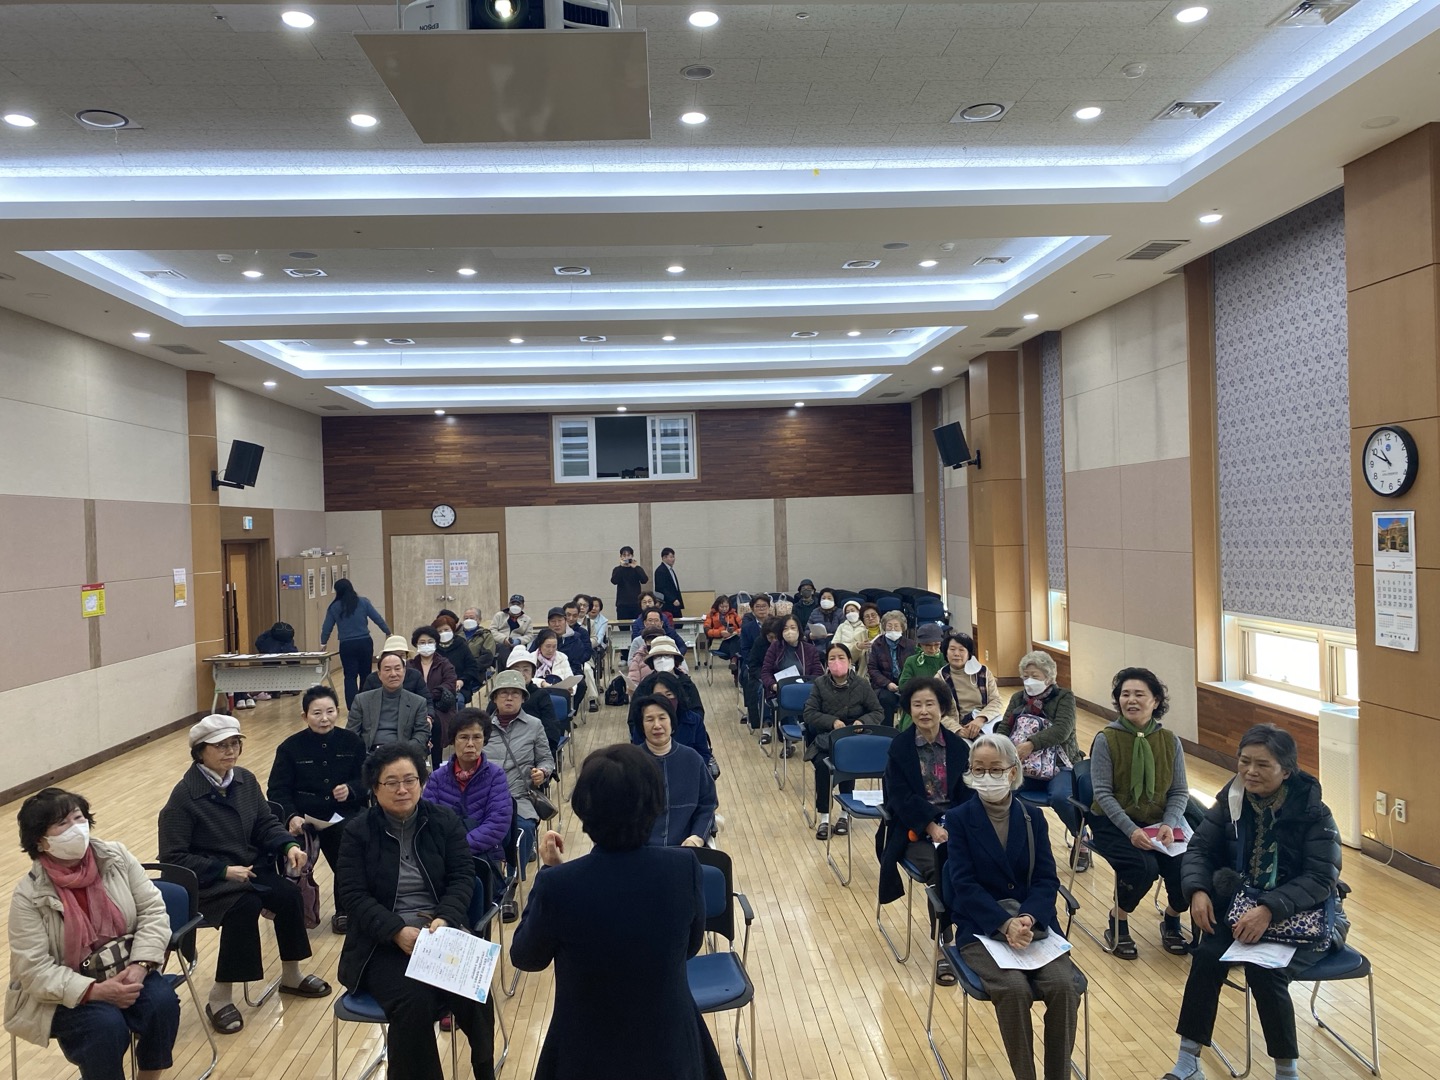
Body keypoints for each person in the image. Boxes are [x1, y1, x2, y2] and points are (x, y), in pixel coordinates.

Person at [509, 745, 725, 1080]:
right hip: (668, 1047)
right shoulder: (683, 868)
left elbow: (526, 957)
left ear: (585, 810)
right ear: (653, 805)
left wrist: (549, 872)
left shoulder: (560, 885)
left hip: (586, 1052)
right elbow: (690, 947)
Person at [1164, 725, 1341, 1080]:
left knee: (1265, 971)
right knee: (1206, 957)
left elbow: (1322, 878)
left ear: (1286, 770)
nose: (1250, 772)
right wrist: (1197, 890)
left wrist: (1270, 908)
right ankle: (1188, 1062)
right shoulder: (1232, 800)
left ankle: (1286, 1072)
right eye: (1244, 762)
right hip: (1240, 909)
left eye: (1262, 765)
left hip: (1301, 914)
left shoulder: (1313, 812)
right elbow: (1200, 849)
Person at [156, 715, 329, 1035]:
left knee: (289, 895)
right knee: (244, 908)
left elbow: (264, 823)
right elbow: (173, 858)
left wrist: (288, 844)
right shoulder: (183, 797)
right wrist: (222, 870)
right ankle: (220, 996)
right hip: (210, 882)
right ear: (200, 752)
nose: (230, 751)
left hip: (250, 870)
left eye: (234, 743)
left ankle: (292, 975)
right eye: (221, 745)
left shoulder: (245, 780)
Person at [336, 743, 494, 1080]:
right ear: (375, 788)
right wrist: (395, 930)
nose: (403, 789)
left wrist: (445, 918)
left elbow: (462, 876)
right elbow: (352, 895)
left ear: (422, 782)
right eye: (391, 782)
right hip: (380, 943)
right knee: (414, 1002)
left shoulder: (443, 822)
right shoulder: (357, 831)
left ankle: (484, 1070)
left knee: (475, 987)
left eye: (410, 780)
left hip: (439, 932)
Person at [6, 787, 181, 1080]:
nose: (76, 828)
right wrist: (95, 991)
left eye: (78, 818)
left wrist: (140, 966)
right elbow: (34, 970)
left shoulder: (116, 857)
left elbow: (153, 911)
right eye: (62, 823)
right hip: (64, 991)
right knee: (105, 1026)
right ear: (40, 841)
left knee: (162, 1003)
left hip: (126, 967)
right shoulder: (28, 895)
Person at [943, 735, 1081, 1080]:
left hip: (1033, 928)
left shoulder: (1034, 817)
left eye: (995, 769)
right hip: (982, 929)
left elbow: (1047, 879)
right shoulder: (958, 819)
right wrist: (1004, 924)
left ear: (1013, 771)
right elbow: (963, 884)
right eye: (978, 770)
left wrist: (1028, 917)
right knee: (1014, 989)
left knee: (1064, 986)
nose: (986, 777)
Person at [1088, 667, 1191, 959]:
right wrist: (1131, 830)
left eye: (1139, 694)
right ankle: (1117, 919)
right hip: (1114, 822)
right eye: (1125, 694)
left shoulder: (1170, 740)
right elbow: (1103, 794)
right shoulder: (1107, 738)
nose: (1131, 700)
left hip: (1159, 821)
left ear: (1156, 701)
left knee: (1188, 867)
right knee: (1143, 867)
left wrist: (1169, 823)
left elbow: (1179, 791)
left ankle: (1172, 917)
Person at [879, 677, 973, 984]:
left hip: (955, 825)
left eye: (930, 704)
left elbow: (968, 793)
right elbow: (899, 797)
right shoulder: (900, 747)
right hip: (914, 829)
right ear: (909, 709)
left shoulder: (958, 747)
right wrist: (931, 825)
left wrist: (955, 825)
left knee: (981, 861)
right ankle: (945, 946)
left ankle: (975, 934)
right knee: (941, 868)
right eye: (917, 705)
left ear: (941, 707)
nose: (923, 711)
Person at [266, 685, 367, 933]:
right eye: (317, 713)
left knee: (349, 849)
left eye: (330, 711)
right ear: (305, 716)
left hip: (342, 816)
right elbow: (277, 790)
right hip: (302, 818)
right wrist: (291, 816)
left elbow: (367, 780)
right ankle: (295, 912)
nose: (324, 718)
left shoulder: (353, 742)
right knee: (292, 858)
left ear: (338, 712)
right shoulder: (289, 748)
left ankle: (345, 911)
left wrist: (351, 789)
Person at [995, 650, 1085, 870]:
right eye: (1025, 676)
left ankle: (1081, 838)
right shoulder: (1018, 698)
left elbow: (1062, 730)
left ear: (1049, 677)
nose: (1029, 681)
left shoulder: (1064, 697)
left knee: (1062, 797)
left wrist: (1031, 744)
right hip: (1024, 766)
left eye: (1035, 676)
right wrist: (998, 745)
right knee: (1001, 793)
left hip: (1060, 765)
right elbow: (1005, 726)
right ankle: (1015, 844)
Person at [483, 670, 556, 920]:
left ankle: (510, 887)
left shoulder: (534, 725)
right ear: (494, 698)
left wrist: (542, 772)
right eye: (504, 693)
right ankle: (494, 884)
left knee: (522, 830)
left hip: (520, 796)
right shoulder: (482, 727)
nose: (509, 698)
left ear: (523, 698)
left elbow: (547, 759)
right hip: (487, 797)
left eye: (515, 693)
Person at [803, 643, 884, 841]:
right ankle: (824, 817)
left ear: (849, 661)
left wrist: (862, 722)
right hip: (827, 739)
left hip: (854, 738)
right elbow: (809, 713)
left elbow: (877, 711)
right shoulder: (820, 684)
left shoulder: (861, 684)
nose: (837, 662)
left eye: (841, 657)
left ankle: (844, 815)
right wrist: (832, 722)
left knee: (848, 764)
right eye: (832, 658)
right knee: (823, 766)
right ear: (826, 663)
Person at [421, 709, 513, 876]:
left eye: (477, 737)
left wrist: (459, 848)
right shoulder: (437, 778)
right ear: (453, 740)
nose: (470, 744)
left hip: (484, 856)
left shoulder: (496, 776)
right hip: (443, 857)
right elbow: (427, 821)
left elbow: (497, 824)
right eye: (463, 737)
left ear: (484, 740)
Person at [634, 695, 718, 847]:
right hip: (639, 850)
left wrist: (697, 837)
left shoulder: (692, 758)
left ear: (672, 722)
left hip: (686, 848)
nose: (657, 725)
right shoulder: (629, 762)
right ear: (641, 725)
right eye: (649, 719)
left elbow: (708, 804)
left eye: (662, 718)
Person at [320, 578, 390, 709]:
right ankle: (366, 703)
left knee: (350, 676)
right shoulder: (363, 602)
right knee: (366, 674)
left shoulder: (334, 607)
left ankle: (352, 707)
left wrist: (323, 642)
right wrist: (388, 632)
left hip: (347, 645)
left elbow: (327, 627)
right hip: (365, 642)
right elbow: (377, 618)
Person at [348, 648, 431, 756]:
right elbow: (351, 734)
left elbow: (421, 734)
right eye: (387, 670)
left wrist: (402, 752)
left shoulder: (418, 702)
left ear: (404, 671)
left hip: (403, 755)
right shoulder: (361, 700)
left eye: (397, 669)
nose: (393, 674)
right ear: (379, 674)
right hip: (369, 755)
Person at [631, 669, 714, 767]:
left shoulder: (694, 720)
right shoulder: (643, 723)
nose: (665, 700)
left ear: (677, 695)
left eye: (669, 695)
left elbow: (704, 754)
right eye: (659, 696)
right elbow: (637, 757)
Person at [410, 625, 458, 770]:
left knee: (436, 724)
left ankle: (437, 765)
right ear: (416, 644)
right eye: (422, 642)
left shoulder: (444, 664)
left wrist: (429, 696)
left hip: (439, 707)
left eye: (430, 642)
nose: (426, 645)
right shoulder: (409, 665)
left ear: (436, 643)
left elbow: (449, 684)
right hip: (414, 706)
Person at [939, 631, 1003, 738]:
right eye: (952, 649)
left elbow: (996, 700)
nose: (956, 654)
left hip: (985, 723)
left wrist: (980, 719)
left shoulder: (983, 672)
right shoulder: (940, 677)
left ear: (969, 653)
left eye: (961, 650)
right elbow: (937, 711)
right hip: (959, 727)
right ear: (946, 652)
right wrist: (957, 729)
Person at [502, 649, 565, 754]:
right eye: (516, 670)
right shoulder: (499, 696)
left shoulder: (541, 696)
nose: (521, 674)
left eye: (526, 670)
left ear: (532, 673)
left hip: (534, 751)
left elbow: (551, 730)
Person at [868, 610, 915, 725]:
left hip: (907, 683)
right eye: (889, 626)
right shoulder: (877, 644)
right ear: (884, 627)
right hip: (885, 685)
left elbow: (914, 666)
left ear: (902, 628)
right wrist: (887, 683)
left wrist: (906, 683)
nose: (893, 629)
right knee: (885, 699)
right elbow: (873, 669)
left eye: (896, 626)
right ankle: (887, 730)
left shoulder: (911, 645)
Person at [897, 623, 946, 728]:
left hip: (942, 704)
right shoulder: (912, 661)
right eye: (928, 645)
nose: (933, 649)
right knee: (910, 728)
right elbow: (903, 685)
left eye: (937, 644)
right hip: (918, 703)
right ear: (920, 644)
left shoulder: (945, 660)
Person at [434, 611, 484, 707]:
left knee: (458, 702)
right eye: (440, 631)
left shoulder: (461, 645)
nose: (443, 633)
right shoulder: (433, 647)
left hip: (459, 688)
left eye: (446, 630)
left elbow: (472, 667)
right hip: (436, 687)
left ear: (452, 630)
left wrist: (462, 681)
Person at [360, 635, 430, 699]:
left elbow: (427, 701)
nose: (397, 658)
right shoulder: (372, 679)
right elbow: (364, 702)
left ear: (407, 657)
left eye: (402, 655)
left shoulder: (415, 676)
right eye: (393, 654)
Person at [831, 599, 871, 677]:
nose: (850, 613)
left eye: (852, 611)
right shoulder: (842, 626)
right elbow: (834, 643)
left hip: (860, 657)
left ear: (859, 611)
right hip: (843, 655)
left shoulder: (865, 626)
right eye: (847, 612)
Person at [610, 545, 649, 621]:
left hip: (636, 603)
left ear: (632, 556)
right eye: (624, 555)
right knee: (623, 626)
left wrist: (636, 567)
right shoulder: (617, 569)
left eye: (628, 555)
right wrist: (622, 567)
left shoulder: (637, 568)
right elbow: (614, 581)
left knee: (637, 624)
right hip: (622, 604)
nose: (626, 557)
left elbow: (644, 580)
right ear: (621, 557)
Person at [460, 607, 499, 680]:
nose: (468, 620)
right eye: (466, 618)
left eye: (472, 618)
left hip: (477, 671)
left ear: (479, 620)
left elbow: (488, 656)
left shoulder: (486, 635)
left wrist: (471, 667)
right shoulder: (457, 635)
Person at [702, 594, 743, 662]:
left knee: (736, 641)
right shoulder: (711, 615)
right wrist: (720, 633)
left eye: (726, 607)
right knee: (737, 648)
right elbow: (707, 631)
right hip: (718, 642)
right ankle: (734, 661)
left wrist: (736, 632)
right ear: (717, 606)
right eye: (722, 607)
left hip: (733, 639)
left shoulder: (734, 615)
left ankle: (734, 662)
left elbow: (743, 627)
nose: (724, 609)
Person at [654, 546, 684, 618]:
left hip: (674, 602)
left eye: (673, 557)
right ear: (664, 558)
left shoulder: (670, 570)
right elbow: (661, 588)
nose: (673, 559)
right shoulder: (660, 570)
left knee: (678, 621)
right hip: (668, 604)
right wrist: (672, 599)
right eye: (671, 557)